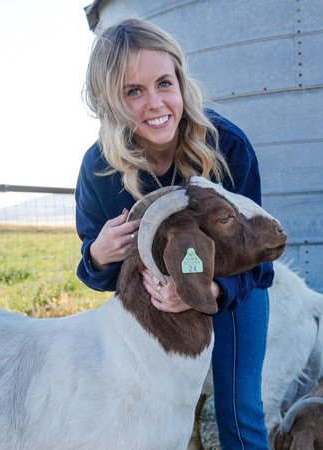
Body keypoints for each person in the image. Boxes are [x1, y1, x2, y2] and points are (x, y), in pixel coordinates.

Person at [75, 18, 273, 450]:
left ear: (182, 82)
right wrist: (98, 255)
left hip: (234, 292)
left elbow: (258, 260)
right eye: (133, 91)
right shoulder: (99, 169)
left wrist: (215, 290)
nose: (154, 103)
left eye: (164, 83)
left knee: (239, 411)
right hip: (154, 306)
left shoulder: (228, 146)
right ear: (110, 101)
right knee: (153, 414)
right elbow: (96, 275)